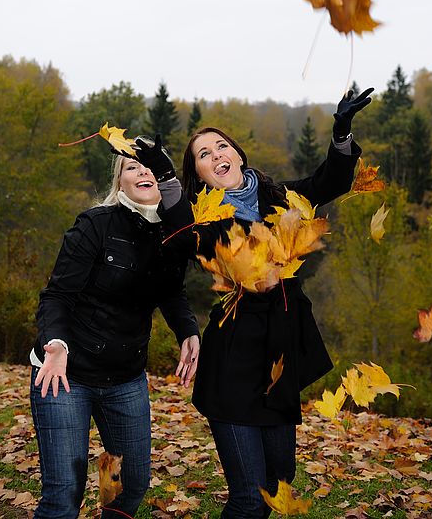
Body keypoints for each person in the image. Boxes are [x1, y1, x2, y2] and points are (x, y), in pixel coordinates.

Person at [134, 88, 373, 518]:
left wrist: (341, 133)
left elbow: (330, 182)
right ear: (201, 176)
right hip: (233, 360)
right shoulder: (203, 217)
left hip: (279, 356)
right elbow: (180, 236)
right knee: (250, 496)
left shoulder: (281, 198)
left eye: (221, 145)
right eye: (203, 155)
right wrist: (168, 181)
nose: (216, 155)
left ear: (239, 155)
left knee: (280, 481)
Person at [30, 152, 200, 519]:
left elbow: (171, 291)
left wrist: (187, 329)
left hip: (126, 377)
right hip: (65, 372)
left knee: (131, 483)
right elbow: (57, 294)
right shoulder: (95, 223)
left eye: (150, 166)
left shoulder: (175, 235)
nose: (142, 171)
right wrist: (56, 345)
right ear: (119, 182)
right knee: (64, 494)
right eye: (131, 167)